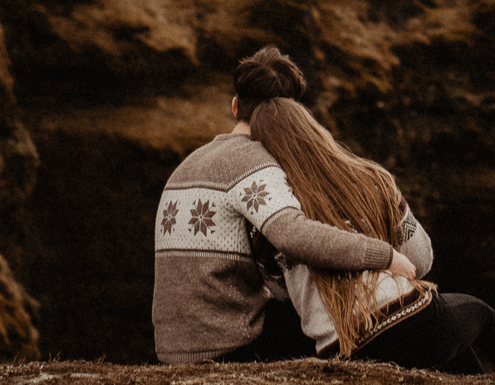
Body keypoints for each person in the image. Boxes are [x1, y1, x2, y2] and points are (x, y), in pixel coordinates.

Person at [152, 45, 423, 364]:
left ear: (235, 105)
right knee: (338, 322)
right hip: (229, 347)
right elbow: (294, 236)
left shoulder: (186, 165)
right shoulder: (256, 164)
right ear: (289, 116)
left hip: (172, 349)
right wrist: (384, 256)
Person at [246, 88, 495, 373]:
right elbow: (420, 260)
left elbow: (280, 294)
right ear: (313, 130)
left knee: (455, 347)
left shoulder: (270, 217)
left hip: (341, 346)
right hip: (402, 320)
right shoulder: (370, 179)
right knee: (479, 315)